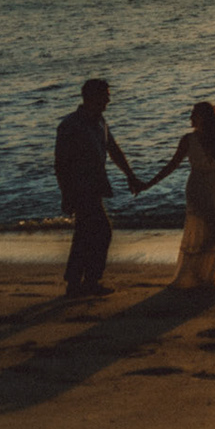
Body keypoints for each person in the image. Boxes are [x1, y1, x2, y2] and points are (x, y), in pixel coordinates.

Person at [141, 101, 215, 289]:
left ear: (205, 118)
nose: (190, 118)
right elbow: (172, 165)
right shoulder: (188, 139)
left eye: (194, 114)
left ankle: (202, 272)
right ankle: (196, 270)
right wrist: (148, 184)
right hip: (197, 188)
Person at [53, 78, 141, 298]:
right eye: (105, 95)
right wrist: (66, 194)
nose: (109, 100)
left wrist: (129, 175)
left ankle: (78, 282)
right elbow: (61, 164)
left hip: (96, 185)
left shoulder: (100, 122)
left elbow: (113, 150)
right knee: (100, 232)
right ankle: (84, 281)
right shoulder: (70, 125)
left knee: (87, 233)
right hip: (79, 188)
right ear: (92, 97)